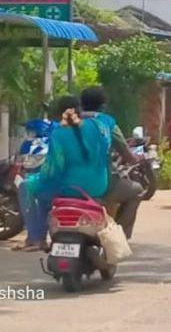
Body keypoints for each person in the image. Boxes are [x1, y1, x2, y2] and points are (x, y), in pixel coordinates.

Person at [15, 96, 111, 251]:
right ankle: (37, 236)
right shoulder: (99, 126)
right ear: (80, 109)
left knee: (27, 187)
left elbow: (53, 169)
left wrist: (37, 179)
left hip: (70, 188)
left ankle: (35, 238)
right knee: (42, 190)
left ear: (60, 113)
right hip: (100, 185)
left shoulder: (59, 133)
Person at [79, 87, 144, 239]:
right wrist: (137, 159)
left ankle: (37, 237)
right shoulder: (107, 123)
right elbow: (126, 154)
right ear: (103, 106)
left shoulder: (66, 123)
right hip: (99, 184)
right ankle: (118, 237)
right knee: (137, 190)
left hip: (67, 184)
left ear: (80, 104)